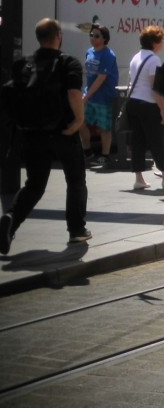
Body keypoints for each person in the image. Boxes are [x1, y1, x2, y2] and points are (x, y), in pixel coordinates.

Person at [0, 18, 90, 254]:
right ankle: (77, 230)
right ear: (59, 35)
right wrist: (79, 121)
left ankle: (11, 218)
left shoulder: (23, 65)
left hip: (32, 134)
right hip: (63, 132)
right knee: (76, 180)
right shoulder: (68, 62)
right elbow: (73, 93)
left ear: (39, 38)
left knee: (35, 185)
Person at [127, 25, 164, 191]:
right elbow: (155, 89)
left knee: (138, 141)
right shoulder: (154, 60)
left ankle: (139, 178)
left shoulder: (136, 57)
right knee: (157, 140)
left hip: (133, 103)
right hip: (147, 105)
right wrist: (163, 109)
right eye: (161, 40)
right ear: (155, 43)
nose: (163, 43)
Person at [81, 25, 119, 167]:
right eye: (91, 35)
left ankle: (105, 155)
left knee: (104, 128)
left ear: (104, 39)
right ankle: (87, 151)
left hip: (103, 97)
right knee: (81, 123)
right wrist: (86, 94)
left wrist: (87, 95)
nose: (93, 38)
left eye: (97, 36)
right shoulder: (89, 52)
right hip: (89, 95)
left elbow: (101, 78)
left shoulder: (108, 55)